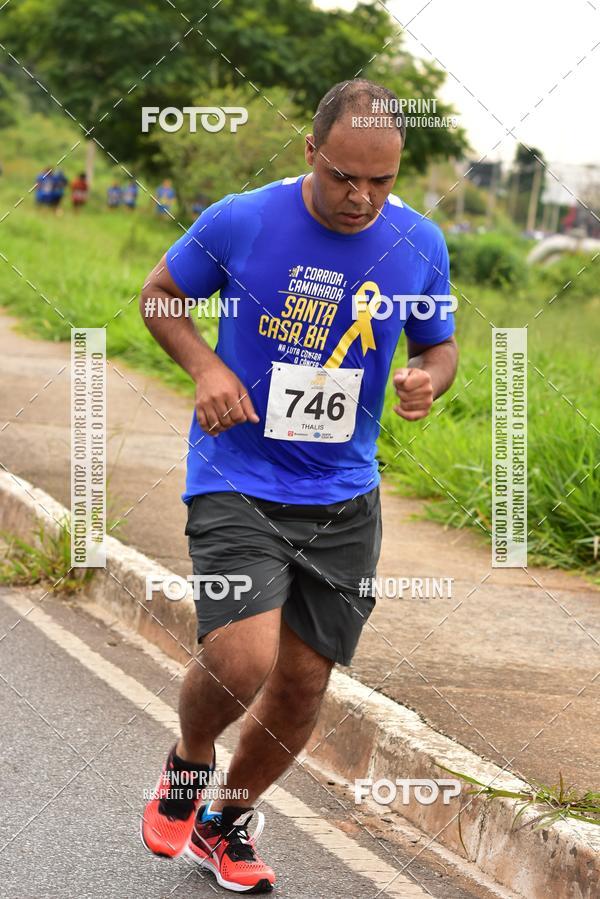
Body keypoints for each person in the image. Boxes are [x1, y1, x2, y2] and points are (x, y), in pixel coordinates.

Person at [140, 78, 458, 893]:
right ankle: (190, 760)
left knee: (304, 682)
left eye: (381, 181)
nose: (360, 198)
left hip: (343, 493)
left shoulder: (419, 241)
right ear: (310, 151)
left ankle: (227, 820)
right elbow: (159, 297)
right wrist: (206, 365)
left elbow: (439, 344)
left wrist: (428, 377)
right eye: (343, 176)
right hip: (236, 473)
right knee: (241, 658)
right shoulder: (242, 219)